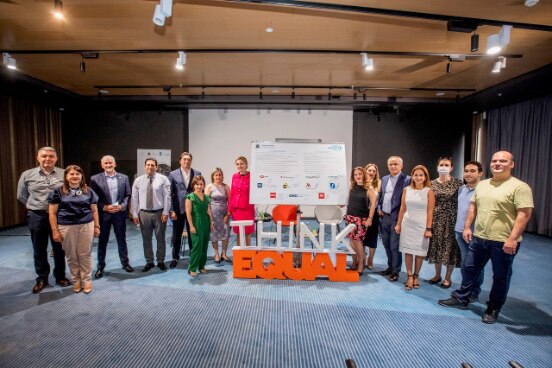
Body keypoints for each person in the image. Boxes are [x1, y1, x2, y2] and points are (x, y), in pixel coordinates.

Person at [439, 151, 533, 324]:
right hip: (479, 237)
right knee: (469, 268)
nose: (498, 163)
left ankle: (493, 307)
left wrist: (512, 238)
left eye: (503, 161)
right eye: (494, 160)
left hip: (503, 240)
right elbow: (473, 207)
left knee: (500, 276)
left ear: (511, 164)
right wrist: (467, 227)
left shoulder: (520, 187)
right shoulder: (483, 185)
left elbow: (524, 214)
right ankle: (462, 298)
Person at [17, 147, 71, 293]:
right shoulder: (27, 175)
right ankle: (42, 278)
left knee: (59, 248)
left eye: (51, 156)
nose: (48, 159)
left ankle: (60, 276)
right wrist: (36, 206)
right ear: (38, 158)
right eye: (44, 156)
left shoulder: (64, 173)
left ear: (56, 158)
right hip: (37, 216)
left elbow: (70, 193)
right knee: (39, 249)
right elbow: (21, 196)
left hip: (60, 217)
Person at [48, 165, 100, 294]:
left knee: (85, 255)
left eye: (77, 174)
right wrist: (55, 230)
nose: (75, 176)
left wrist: (97, 226)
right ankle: (76, 280)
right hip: (66, 226)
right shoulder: (58, 191)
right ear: (66, 176)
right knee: (72, 255)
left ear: (81, 176)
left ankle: (86, 280)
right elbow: (52, 213)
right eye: (71, 174)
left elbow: (94, 210)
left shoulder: (88, 191)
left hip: (86, 225)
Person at [90, 155, 133, 279]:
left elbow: (127, 195)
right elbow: (93, 198)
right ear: (102, 165)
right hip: (104, 215)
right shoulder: (95, 179)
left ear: (115, 164)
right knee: (102, 242)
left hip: (119, 214)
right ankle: (100, 266)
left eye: (110, 163)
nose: (108, 165)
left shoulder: (124, 178)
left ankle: (125, 263)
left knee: (122, 240)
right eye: (106, 163)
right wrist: (104, 207)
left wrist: (122, 206)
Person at [395, 165, 435, 290]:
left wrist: (428, 229)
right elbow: (402, 208)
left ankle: (416, 275)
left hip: (422, 226)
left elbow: (430, 211)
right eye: (416, 175)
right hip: (407, 224)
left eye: (421, 175)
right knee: (408, 251)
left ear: (425, 177)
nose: (418, 177)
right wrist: (398, 223)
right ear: (412, 176)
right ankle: (409, 275)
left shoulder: (429, 191)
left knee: (419, 252)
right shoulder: (407, 190)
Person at [426, 157, 463, 288]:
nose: (443, 167)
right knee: (436, 248)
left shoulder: (458, 184)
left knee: (449, 249)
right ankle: (437, 275)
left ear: (451, 167)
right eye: (441, 164)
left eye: (446, 165)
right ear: (437, 167)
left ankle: (448, 277)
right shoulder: (430, 184)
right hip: (436, 220)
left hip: (452, 220)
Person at [131, 158, 171, 272]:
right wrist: (134, 213)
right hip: (144, 213)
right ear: (145, 166)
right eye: (148, 165)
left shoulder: (163, 179)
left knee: (160, 238)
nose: (150, 167)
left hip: (159, 213)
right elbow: (134, 198)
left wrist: (165, 212)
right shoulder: (138, 180)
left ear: (156, 166)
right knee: (146, 239)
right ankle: (149, 261)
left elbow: (167, 197)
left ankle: (160, 261)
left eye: (152, 165)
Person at [377, 156, 411, 282]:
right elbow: (381, 196)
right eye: (391, 164)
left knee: (394, 246)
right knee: (386, 244)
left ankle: (396, 271)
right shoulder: (385, 179)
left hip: (397, 218)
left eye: (396, 164)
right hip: (384, 216)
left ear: (401, 166)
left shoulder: (407, 180)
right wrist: (378, 207)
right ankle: (390, 267)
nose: (393, 166)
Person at [455, 161, 484, 301]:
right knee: (465, 263)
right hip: (459, 231)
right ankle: (467, 289)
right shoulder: (462, 189)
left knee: (473, 264)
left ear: (480, 173)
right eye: (466, 170)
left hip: (475, 233)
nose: (468, 173)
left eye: (472, 171)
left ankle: (473, 292)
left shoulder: (483, 190)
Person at [168, 152, 201, 269]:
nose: (186, 161)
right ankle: (175, 257)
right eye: (184, 159)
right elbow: (170, 193)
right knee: (176, 235)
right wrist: (171, 210)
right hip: (178, 210)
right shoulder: (173, 174)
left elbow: (199, 191)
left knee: (193, 234)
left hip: (193, 210)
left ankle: (194, 256)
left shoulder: (197, 173)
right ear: (180, 160)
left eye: (189, 159)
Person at [345, 167, 377, 274]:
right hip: (350, 217)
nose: (358, 176)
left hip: (361, 219)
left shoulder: (369, 188)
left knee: (358, 242)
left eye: (360, 174)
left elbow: (373, 205)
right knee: (351, 242)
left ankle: (361, 264)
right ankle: (354, 262)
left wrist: (370, 219)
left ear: (364, 175)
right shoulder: (352, 186)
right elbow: (349, 200)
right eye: (355, 174)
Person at [186, 176, 214, 277]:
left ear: (203, 185)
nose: (199, 186)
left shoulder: (206, 197)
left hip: (206, 223)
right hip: (196, 223)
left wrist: (211, 223)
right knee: (197, 247)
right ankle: (192, 268)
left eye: (201, 184)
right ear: (193, 185)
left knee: (204, 246)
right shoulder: (190, 197)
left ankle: (201, 266)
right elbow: (188, 213)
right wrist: (191, 226)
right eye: (197, 184)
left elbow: (209, 211)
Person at [205, 168, 231, 263]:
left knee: (226, 233)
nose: (218, 177)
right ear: (213, 176)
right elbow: (206, 203)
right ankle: (216, 254)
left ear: (222, 176)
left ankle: (224, 254)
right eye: (216, 175)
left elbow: (230, 201)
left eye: (220, 175)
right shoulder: (209, 187)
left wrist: (227, 215)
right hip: (213, 214)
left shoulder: (226, 187)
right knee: (214, 234)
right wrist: (210, 217)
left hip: (224, 215)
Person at [228, 156, 255, 247]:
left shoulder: (252, 176)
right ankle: (239, 255)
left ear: (246, 165)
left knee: (247, 232)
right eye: (237, 164)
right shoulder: (234, 176)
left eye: (241, 164)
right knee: (239, 232)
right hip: (236, 209)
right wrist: (229, 209)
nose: (239, 166)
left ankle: (247, 253)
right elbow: (232, 193)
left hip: (247, 209)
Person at [363, 163, 381, 270]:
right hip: (362, 213)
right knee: (362, 237)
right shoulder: (362, 183)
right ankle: (363, 257)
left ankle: (370, 258)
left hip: (374, 214)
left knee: (372, 237)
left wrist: (379, 209)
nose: (372, 173)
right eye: (369, 170)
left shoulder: (379, 184)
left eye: (374, 171)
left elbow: (382, 200)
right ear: (365, 171)